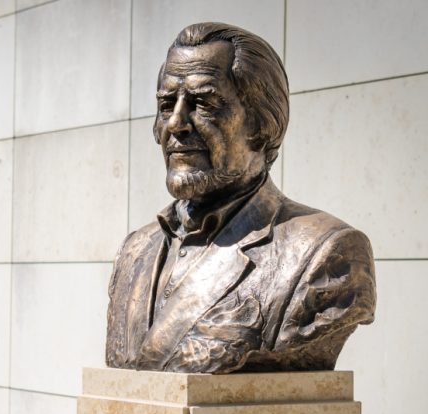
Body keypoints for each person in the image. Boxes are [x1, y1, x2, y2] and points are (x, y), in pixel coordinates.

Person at [106, 23, 376, 373]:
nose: (175, 124)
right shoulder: (134, 252)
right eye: (166, 104)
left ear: (263, 125)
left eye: (203, 103)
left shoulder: (327, 252)